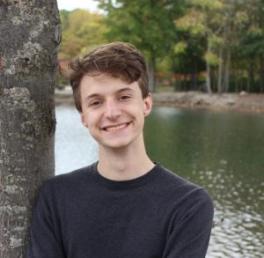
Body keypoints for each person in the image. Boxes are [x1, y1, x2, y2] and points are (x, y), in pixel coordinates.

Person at [27, 42, 214, 258]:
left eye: (124, 97)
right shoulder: (55, 197)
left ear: (146, 104)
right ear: (84, 118)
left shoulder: (188, 205)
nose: (112, 112)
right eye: (96, 102)